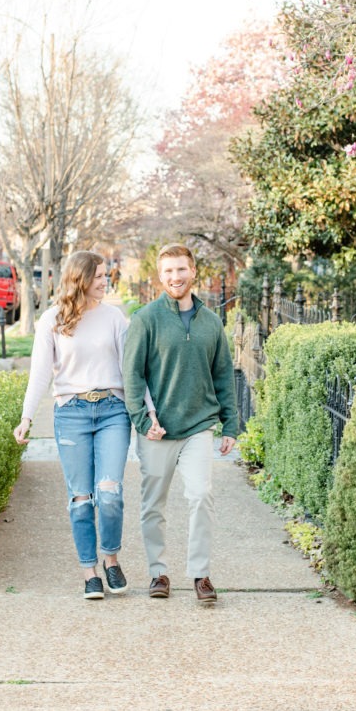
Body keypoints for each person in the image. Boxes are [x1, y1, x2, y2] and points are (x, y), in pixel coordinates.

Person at [13, 250, 159, 600]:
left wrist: (149, 412)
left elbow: (132, 371)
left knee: (109, 494)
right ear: (80, 278)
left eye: (105, 275)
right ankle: (89, 571)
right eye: (98, 276)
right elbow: (40, 374)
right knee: (81, 499)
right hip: (72, 413)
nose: (104, 280)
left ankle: (111, 559)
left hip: (112, 411)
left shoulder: (114, 318)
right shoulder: (52, 319)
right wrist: (26, 417)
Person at [122, 242, 238, 604]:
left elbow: (224, 376)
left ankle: (200, 574)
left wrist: (230, 425)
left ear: (193, 272)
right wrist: (142, 422)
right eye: (169, 271)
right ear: (160, 276)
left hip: (198, 427)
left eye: (181, 269)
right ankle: (158, 572)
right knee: (153, 504)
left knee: (201, 495)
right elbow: (132, 377)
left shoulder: (211, 322)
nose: (176, 277)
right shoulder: (146, 319)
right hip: (157, 431)